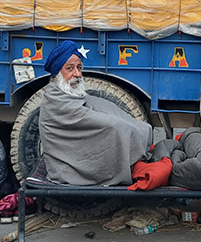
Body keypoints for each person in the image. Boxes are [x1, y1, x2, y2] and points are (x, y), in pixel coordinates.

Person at [38, 40, 151, 186]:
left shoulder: (67, 92)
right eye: (70, 69)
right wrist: (123, 129)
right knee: (117, 127)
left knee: (114, 113)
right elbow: (84, 118)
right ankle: (129, 162)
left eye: (79, 68)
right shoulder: (56, 100)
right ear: (57, 73)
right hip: (66, 168)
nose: (77, 74)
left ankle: (134, 150)